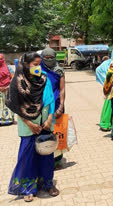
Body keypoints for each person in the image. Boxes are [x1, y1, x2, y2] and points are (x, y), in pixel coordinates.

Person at [6, 52, 59, 202]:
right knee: (27, 158)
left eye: (38, 64)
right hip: (28, 126)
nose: (37, 67)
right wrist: (30, 124)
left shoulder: (44, 78)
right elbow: (16, 106)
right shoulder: (17, 82)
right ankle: (28, 188)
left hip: (45, 124)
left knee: (47, 155)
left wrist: (49, 118)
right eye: (34, 64)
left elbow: (51, 100)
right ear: (26, 64)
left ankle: (47, 184)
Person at [41, 48, 66, 169]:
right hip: (42, 107)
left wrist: (61, 106)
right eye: (46, 57)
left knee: (57, 132)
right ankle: (44, 159)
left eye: (51, 57)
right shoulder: (38, 70)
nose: (49, 60)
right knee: (45, 132)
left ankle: (56, 160)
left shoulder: (59, 70)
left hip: (56, 105)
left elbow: (62, 89)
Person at [96, 48, 113, 132]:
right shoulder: (107, 63)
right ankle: (106, 124)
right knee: (109, 105)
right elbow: (98, 70)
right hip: (110, 89)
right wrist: (107, 81)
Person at [0, 54, 14, 126]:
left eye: (1, 59)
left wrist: (8, 87)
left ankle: (9, 120)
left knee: (8, 104)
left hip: (8, 89)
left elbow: (13, 78)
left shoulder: (8, 68)